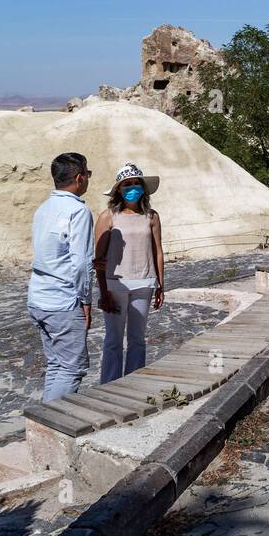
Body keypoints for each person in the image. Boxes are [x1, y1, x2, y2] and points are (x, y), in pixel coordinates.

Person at [27, 152, 94, 402]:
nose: (88, 179)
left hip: (38, 298)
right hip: (62, 302)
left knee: (56, 365)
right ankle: (51, 426)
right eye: (87, 174)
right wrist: (86, 300)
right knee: (72, 368)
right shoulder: (77, 212)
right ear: (79, 178)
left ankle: (43, 424)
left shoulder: (44, 208)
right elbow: (81, 263)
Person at [93, 163, 165, 384]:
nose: (132, 187)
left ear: (143, 187)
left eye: (136, 183)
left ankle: (133, 383)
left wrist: (161, 285)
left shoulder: (151, 216)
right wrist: (103, 292)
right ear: (118, 189)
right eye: (127, 184)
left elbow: (158, 251)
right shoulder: (107, 217)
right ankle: (110, 385)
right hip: (116, 285)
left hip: (144, 282)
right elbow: (99, 260)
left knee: (137, 339)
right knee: (113, 339)